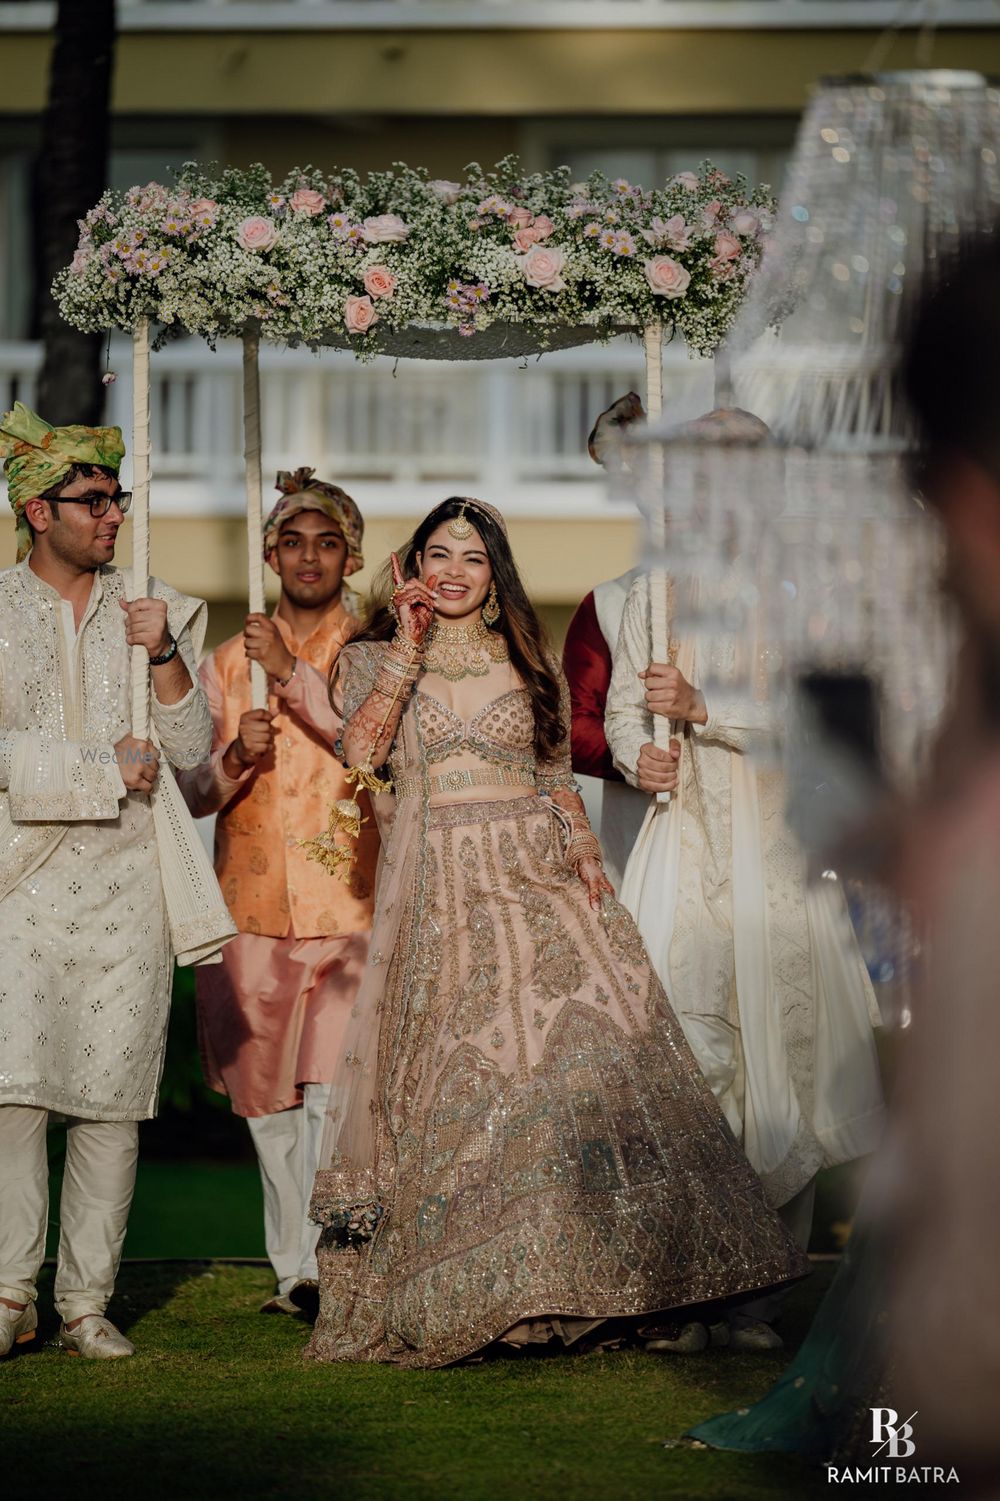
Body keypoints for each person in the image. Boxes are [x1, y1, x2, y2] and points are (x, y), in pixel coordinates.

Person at [306, 495, 808, 1369]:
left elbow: (551, 773)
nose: (453, 571)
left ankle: (603, 1281)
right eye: (438, 553)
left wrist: (584, 857)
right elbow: (360, 753)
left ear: (495, 575)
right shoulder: (371, 658)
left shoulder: (525, 656)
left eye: (471, 557)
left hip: (539, 885)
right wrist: (410, 648)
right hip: (441, 893)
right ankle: (484, 1288)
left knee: (572, 1075)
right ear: (411, 566)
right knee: (463, 1082)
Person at [605, 410, 885, 1350]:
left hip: (776, 847)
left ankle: (759, 1292)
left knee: (784, 1056)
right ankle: (686, 1286)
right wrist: (634, 754)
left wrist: (709, 709)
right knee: (687, 1051)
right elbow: (617, 708)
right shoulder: (646, 589)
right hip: (682, 842)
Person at [0, 402, 231, 1361]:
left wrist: (166, 653)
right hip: (22, 880)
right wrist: (101, 766)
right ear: (34, 510)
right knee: (13, 1094)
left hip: (131, 884)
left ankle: (86, 1303)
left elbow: (190, 753)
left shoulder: (158, 604)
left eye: (116, 497)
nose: (110, 515)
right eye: (90, 499)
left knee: (110, 1100)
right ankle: (10, 1291)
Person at [178, 468, 378, 1319]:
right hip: (250, 907)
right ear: (269, 553)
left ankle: (342, 1264)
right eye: (292, 541)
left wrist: (289, 670)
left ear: (351, 556)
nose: (308, 557)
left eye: (326, 542)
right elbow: (190, 791)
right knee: (269, 1102)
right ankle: (293, 1266)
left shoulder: (375, 653)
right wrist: (234, 755)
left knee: (337, 1094)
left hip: (352, 900)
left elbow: (378, 746)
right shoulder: (225, 664)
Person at [563, 567, 647, 890]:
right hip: (638, 831)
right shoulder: (609, 601)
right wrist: (640, 757)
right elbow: (575, 727)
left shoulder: (767, 591)